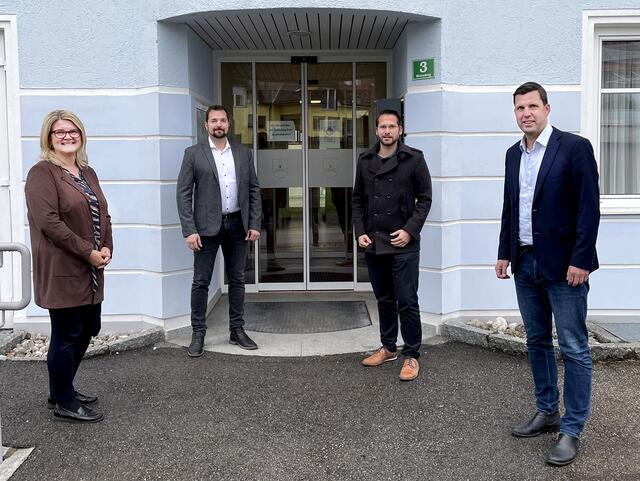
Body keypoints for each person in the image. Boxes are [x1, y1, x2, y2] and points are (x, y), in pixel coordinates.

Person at [496, 82, 600, 467]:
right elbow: (511, 206)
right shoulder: (512, 154)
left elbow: (589, 209)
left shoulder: (574, 148)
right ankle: (546, 411)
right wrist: (504, 252)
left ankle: (571, 429)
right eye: (520, 108)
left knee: (573, 347)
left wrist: (581, 259)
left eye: (532, 106)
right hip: (524, 263)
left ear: (547, 108)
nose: (526, 113)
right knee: (537, 341)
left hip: (565, 267)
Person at [25, 110, 113, 423]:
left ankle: (61, 388)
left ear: (81, 135)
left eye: (73, 131)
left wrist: (106, 248)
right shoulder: (42, 173)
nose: (67, 136)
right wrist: (88, 251)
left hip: (91, 268)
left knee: (90, 328)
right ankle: (63, 400)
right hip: (63, 266)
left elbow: (104, 214)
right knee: (67, 333)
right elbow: (49, 223)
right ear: (49, 137)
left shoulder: (87, 172)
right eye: (59, 132)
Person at [352, 109, 432, 381]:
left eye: (392, 126)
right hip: (375, 242)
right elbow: (357, 200)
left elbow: (425, 199)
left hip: (403, 243)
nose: (387, 131)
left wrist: (410, 231)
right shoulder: (365, 160)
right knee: (384, 298)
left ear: (400, 130)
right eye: (382, 127)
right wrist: (360, 231)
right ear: (376, 131)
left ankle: (412, 354)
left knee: (407, 301)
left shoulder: (414, 159)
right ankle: (388, 347)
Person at [177, 105, 261, 356]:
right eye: (214, 120)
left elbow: (254, 190)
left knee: (237, 280)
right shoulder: (193, 154)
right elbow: (183, 194)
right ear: (206, 125)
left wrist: (255, 223)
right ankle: (198, 333)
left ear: (229, 124)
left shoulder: (243, 154)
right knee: (201, 281)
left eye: (222, 120)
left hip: (237, 225)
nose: (219, 124)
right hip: (205, 229)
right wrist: (189, 230)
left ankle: (237, 330)